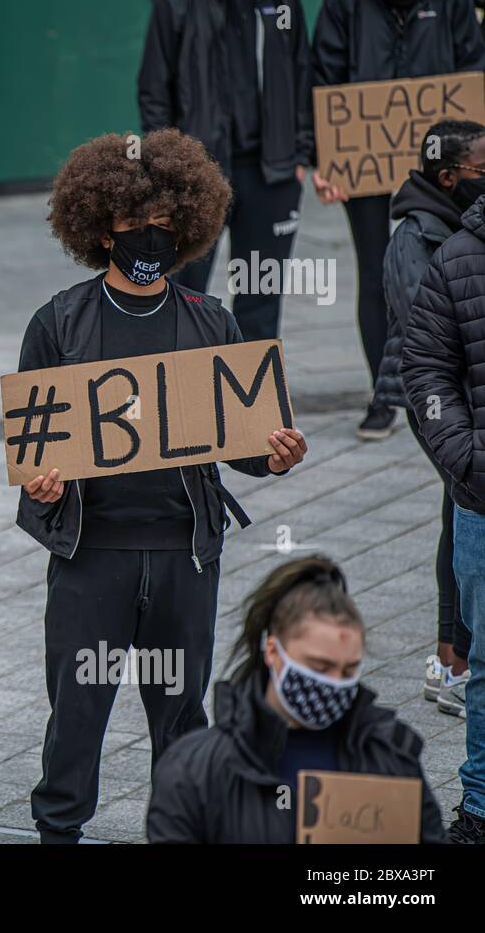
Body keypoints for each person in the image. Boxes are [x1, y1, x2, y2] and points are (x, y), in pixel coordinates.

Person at [17, 129, 308, 844]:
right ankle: (59, 833)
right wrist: (42, 490)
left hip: (185, 556)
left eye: (161, 227)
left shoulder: (212, 322)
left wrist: (272, 457)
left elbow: (240, 446)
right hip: (93, 559)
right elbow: (32, 457)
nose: (147, 239)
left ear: (186, 226)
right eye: (130, 227)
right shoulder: (57, 323)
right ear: (98, 228)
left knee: (181, 717)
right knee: (77, 714)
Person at [147, 556, 447, 842]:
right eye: (320, 666)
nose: (333, 683)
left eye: (349, 669)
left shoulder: (391, 756)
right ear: (273, 652)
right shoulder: (194, 772)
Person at [312, 0, 485, 441]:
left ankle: (453, 390)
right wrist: (323, 156)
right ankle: (385, 395)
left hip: (444, 167)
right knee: (375, 272)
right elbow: (324, 76)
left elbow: (474, 65)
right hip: (361, 158)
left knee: (457, 267)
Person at [376, 120, 484, 715]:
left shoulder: (458, 225)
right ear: (448, 177)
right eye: (481, 171)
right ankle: (451, 662)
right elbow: (430, 336)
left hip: (470, 400)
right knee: (461, 512)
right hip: (439, 404)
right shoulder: (416, 236)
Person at [138, 0, 314, 340]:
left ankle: (255, 392)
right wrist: (167, 169)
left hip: (271, 174)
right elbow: (154, 91)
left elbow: (301, 72)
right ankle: (186, 392)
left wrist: (300, 153)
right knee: (183, 293)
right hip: (196, 176)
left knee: (261, 294)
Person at [402, 171, 485, 844]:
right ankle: (481, 806)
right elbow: (426, 367)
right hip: (481, 500)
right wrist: (465, 455)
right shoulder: (456, 259)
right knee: (484, 660)